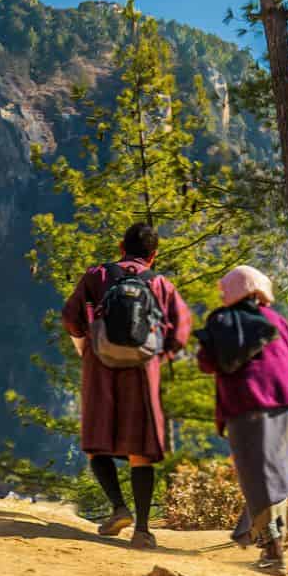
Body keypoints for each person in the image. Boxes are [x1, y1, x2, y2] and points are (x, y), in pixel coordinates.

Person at [60, 222, 192, 549]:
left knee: (97, 439)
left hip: (100, 366)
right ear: (154, 255)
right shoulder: (160, 284)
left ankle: (119, 508)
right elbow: (181, 330)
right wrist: (158, 357)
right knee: (140, 447)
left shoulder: (97, 276)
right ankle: (143, 530)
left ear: (121, 247)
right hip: (142, 372)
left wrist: (84, 346)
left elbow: (70, 315)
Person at [197, 265, 288, 573]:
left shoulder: (221, 322)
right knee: (278, 476)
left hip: (245, 407)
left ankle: (273, 551)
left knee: (256, 481)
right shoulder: (278, 322)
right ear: (261, 291)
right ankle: (274, 542)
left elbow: (205, 363)